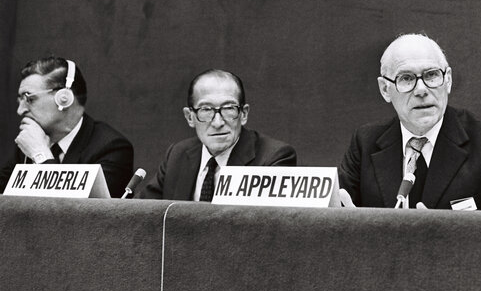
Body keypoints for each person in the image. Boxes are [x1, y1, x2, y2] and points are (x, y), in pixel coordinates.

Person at [338, 33, 481, 210]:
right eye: (406, 78)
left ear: (448, 80)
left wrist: (441, 236)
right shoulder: (365, 144)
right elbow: (336, 216)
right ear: (385, 89)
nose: (421, 90)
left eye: (431, 75)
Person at [137, 69, 296, 201]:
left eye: (228, 109)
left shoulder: (273, 158)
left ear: (244, 114)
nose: (218, 122)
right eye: (206, 110)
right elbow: (142, 214)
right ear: (190, 117)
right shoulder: (177, 155)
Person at [0, 57, 134, 197]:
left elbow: (78, 214)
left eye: (29, 99)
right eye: (20, 101)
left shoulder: (112, 148)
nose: (20, 111)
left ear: (64, 98)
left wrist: (41, 156)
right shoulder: (30, 141)